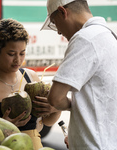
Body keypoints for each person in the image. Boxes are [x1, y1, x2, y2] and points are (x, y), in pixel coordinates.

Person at [0, 18, 61, 150]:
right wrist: (2, 127)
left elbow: (44, 122)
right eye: (11, 54)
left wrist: (54, 109)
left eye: (22, 53)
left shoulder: (31, 77)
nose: (18, 60)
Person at [41, 0, 117, 149]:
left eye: (55, 23)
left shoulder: (85, 38)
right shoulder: (109, 36)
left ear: (63, 12)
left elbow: (55, 98)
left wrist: (64, 105)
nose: (58, 32)